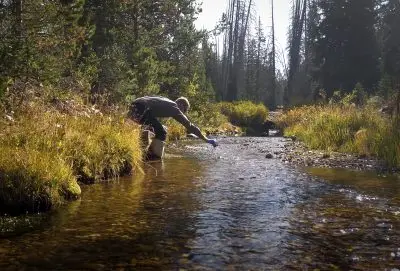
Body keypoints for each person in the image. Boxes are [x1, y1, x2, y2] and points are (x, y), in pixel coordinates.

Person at [128, 96, 218, 159]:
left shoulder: (166, 101)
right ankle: (154, 157)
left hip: (135, 105)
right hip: (141, 108)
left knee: (154, 128)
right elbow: (190, 126)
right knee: (162, 133)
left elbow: (149, 109)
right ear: (182, 105)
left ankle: (141, 150)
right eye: (184, 111)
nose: (183, 113)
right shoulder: (175, 108)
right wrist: (206, 140)